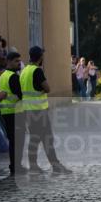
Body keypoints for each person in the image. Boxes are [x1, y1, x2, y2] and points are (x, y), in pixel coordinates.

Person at [20, 46, 70, 175]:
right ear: (40, 57)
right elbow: (47, 88)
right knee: (47, 139)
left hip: (28, 111)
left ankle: (34, 166)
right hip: (39, 111)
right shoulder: (37, 71)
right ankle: (56, 166)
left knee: (34, 139)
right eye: (42, 55)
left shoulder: (24, 71)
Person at [0, 49, 25, 176]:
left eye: (19, 61)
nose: (19, 63)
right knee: (17, 141)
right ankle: (15, 166)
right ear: (9, 62)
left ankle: (14, 166)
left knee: (13, 141)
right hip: (14, 112)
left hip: (6, 111)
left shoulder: (3, 75)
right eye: (16, 61)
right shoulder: (13, 77)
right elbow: (21, 95)